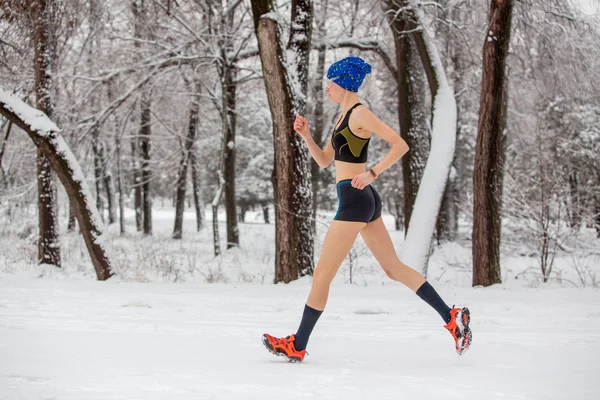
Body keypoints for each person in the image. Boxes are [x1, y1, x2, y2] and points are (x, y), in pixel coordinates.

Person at [261, 56, 471, 363]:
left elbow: (400, 144)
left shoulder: (360, 114)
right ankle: (451, 316)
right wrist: (306, 136)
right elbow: (323, 160)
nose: (325, 90)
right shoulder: (342, 116)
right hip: (362, 198)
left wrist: (371, 173)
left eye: (328, 84)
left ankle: (298, 344)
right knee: (393, 268)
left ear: (342, 82)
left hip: (355, 199)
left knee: (321, 275)